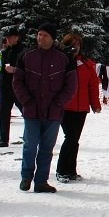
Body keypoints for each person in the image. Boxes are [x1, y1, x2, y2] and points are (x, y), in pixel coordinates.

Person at [12, 22, 77, 193]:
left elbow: (71, 86)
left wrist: (58, 103)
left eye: (45, 35)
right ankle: (26, 177)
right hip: (31, 111)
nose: (41, 38)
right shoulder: (26, 55)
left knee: (47, 149)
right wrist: (26, 101)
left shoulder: (64, 58)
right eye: (39, 34)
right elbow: (17, 82)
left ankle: (41, 181)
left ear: (53, 38)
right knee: (30, 146)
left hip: (53, 112)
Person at [55, 32, 101, 183]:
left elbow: (93, 85)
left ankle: (70, 170)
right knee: (70, 138)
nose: (75, 47)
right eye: (72, 44)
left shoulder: (86, 64)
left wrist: (95, 104)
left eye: (78, 44)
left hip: (81, 108)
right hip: (66, 107)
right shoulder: (61, 62)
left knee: (74, 139)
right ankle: (61, 170)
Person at [0, 27, 25, 147]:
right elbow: (0, 68)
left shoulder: (23, 52)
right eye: (7, 37)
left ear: (17, 37)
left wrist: (15, 70)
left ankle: (30, 135)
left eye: (10, 37)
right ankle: (3, 139)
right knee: (4, 113)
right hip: (5, 86)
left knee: (26, 112)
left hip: (18, 87)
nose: (8, 40)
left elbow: (28, 70)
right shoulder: (5, 52)